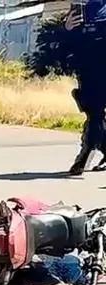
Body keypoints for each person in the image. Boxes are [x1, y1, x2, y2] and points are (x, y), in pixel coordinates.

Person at [65, 6, 106, 175]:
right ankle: (87, 153)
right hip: (88, 71)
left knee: (95, 115)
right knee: (94, 113)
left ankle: (84, 156)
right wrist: (67, 29)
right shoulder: (82, 8)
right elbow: (67, 44)